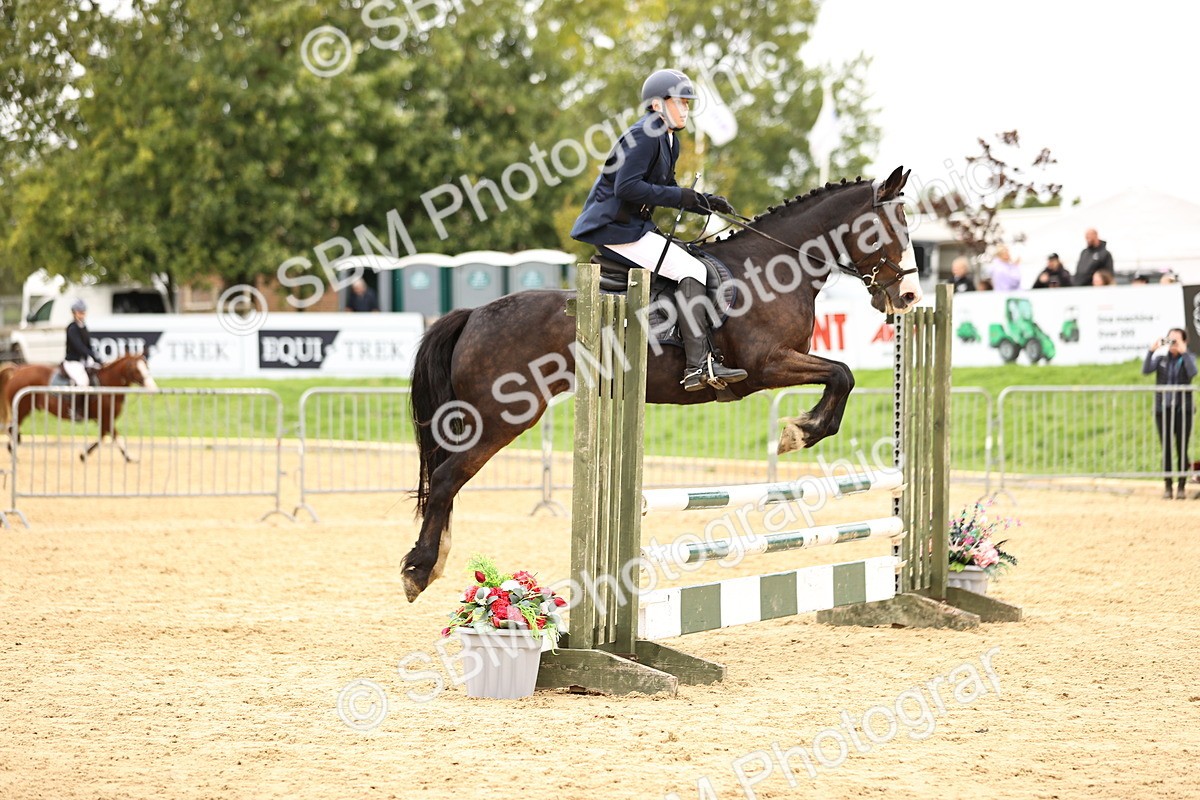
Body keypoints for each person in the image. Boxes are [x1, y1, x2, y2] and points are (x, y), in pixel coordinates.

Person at [570, 68, 746, 392]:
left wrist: (705, 202)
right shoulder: (644, 135)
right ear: (656, 105)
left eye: (687, 103)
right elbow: (627, 188)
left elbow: (665, 187)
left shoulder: (668, 139)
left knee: (692, 257)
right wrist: (682, 196)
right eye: (680, 102)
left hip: (633, 226)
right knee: (691, 268)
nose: (686, 109)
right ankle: (698, 366)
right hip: (614, 229)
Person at [1143, 329, 1197, 499]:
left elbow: (1193, 372)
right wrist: (1152, 350)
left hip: (1183, 410)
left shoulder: (1188, 359)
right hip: (1163, 410)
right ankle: (1168, 486)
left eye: (1176, 340)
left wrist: (1184, 352)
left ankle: (1181, 486)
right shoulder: (1161, 360)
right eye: (1170, 339)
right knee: (1166, 448)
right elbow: (1146, 370)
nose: (1173, 343)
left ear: (1184, 342)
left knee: (1182, 448)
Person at [63, 299, 99, 387]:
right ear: (74, 313)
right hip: (73, 362)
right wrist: (92, 355)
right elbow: (79, 347)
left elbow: (88, 345)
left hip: (84, 361)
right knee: (83, 382)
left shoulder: (83, 326)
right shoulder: (72, 328)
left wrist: (96, 358)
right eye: (80, 313)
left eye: (83, 313)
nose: (82, 315)